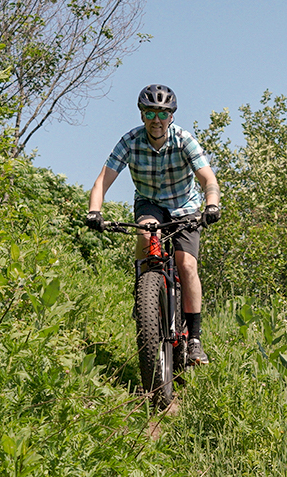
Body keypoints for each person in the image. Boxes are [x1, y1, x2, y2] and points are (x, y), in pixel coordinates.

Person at [85, 84, 220, 365]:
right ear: (141, 115)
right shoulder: (130, 141)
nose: (156, 120)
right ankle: (144, 296)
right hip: (149, 202)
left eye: (162, 113)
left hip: (185, 206)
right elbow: (102, 180)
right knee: (147, 235)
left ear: (171, 116)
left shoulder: (184, 140)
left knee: (186, 264)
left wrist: (211, 204)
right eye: (149, 113)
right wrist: (94, 211)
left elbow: (208, 179)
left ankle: (194, 339)